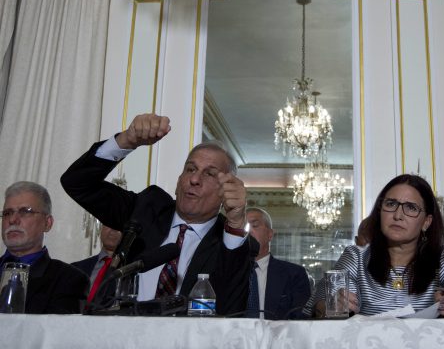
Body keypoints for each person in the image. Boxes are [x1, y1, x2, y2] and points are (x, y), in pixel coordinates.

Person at [61, 113, 258, 316]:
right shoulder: (146, 208)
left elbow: (232, 311)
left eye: (209, 173)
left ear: (226, 190)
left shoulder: (232, 244)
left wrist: (236, 223)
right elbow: (76, 183)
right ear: (178, 180)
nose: (194, 179)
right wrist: (126, 141)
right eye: (190, 169)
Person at [304, 174, 444, 317]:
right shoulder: (356, 257)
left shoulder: (440, 258)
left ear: (426, 222)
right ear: (380, 212)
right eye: (391, 204)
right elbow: (318, 303)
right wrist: (331, 305)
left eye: (411, 208)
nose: (398, 215)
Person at [1, 181, 88, 313]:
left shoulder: (69, 279)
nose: (12, 220)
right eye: (7, 213)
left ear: (47, 223)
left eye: (25, 211)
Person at [245, 207, 310, 319]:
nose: (248, 231)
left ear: (270, 234)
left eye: (254, 226)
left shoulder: (294, 274)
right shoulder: (227, 272)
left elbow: (300, 320)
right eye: (243, 227)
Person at [72, 224, 122, 304]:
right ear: (101, 228)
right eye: (109, 223)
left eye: (119, 226)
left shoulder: (134, 272)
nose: (113, 230)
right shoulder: (74, 269)